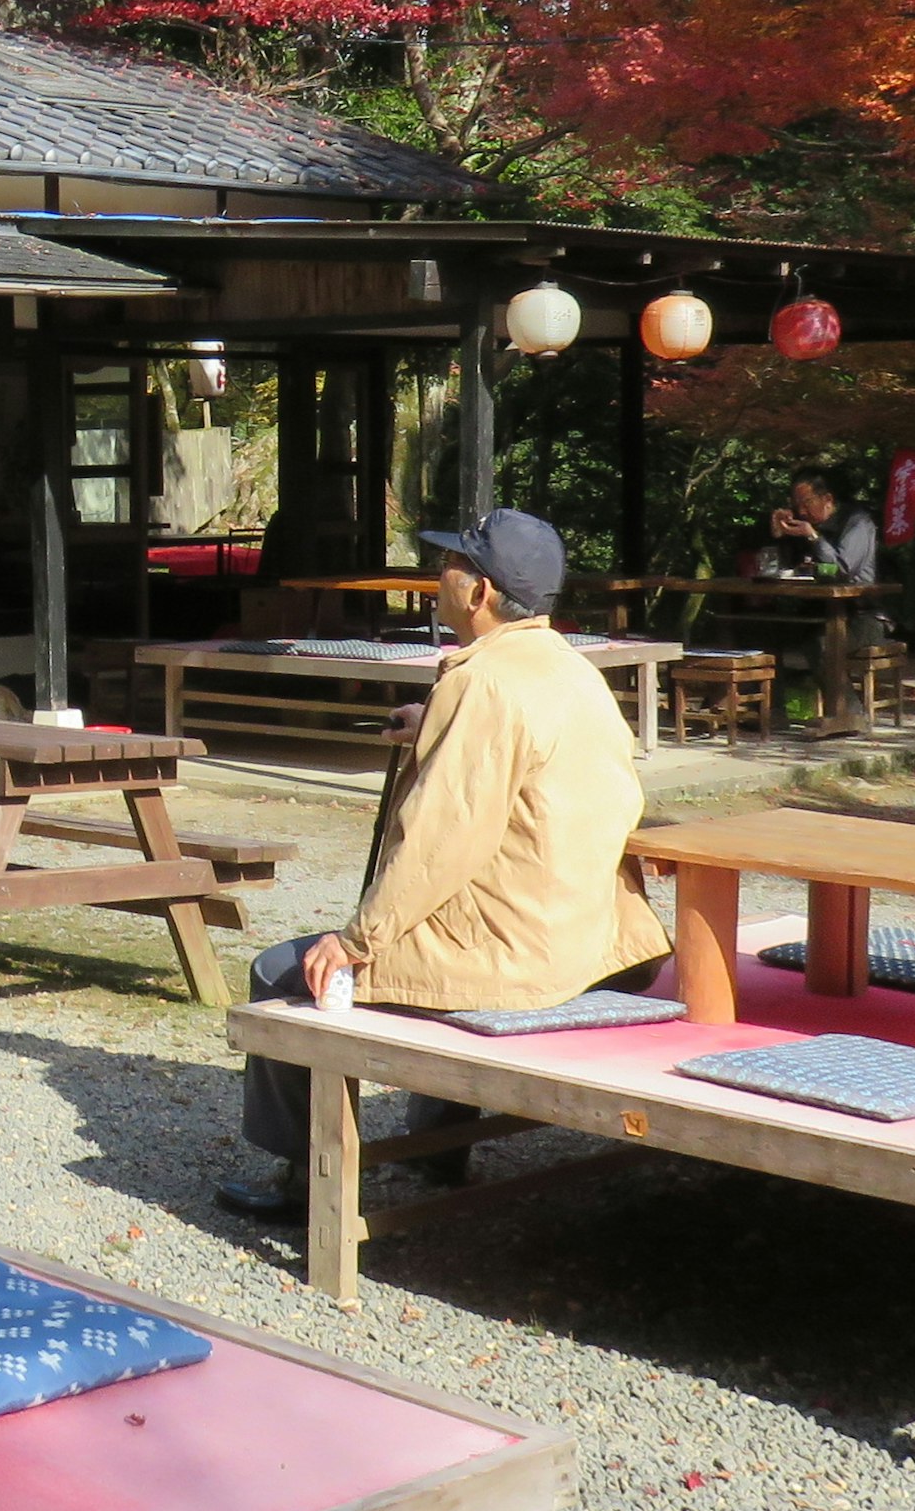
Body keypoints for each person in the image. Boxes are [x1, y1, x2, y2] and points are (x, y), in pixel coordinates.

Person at [217, 509, 671, 1221]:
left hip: (515, 954)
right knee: (442, 948)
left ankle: (307, 1182)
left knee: (283, 970)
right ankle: (436, 1148)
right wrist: (432, 722)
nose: (438, 578)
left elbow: (439, 841)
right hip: (584, 936)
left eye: (450, 567)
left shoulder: (480, 683)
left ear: (480, 592)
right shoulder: (574, 672)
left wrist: (356, 940)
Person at [761, 469, 879, 589]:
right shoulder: (803, 524)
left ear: (828, 499)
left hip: (856, 602)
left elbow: (842, 570)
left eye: (807, 503)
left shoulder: (857, 522)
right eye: (797, 505)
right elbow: (783, 570)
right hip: (812, 601)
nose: (802, 511)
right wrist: (779, 534)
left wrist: (814, 537)